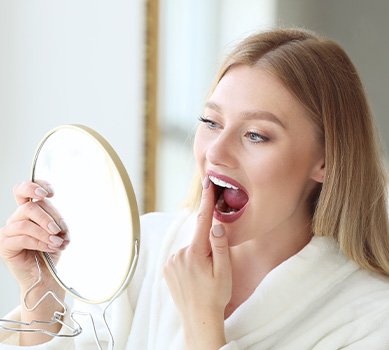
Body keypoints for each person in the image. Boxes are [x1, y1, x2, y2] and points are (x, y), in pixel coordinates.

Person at [1, 27, 389, 349]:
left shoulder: (371, 319)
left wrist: (203, 324)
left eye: (256, 135)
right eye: (210, 122)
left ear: (326, 159)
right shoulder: (143, 250)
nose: (216, 151)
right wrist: (41, 295)